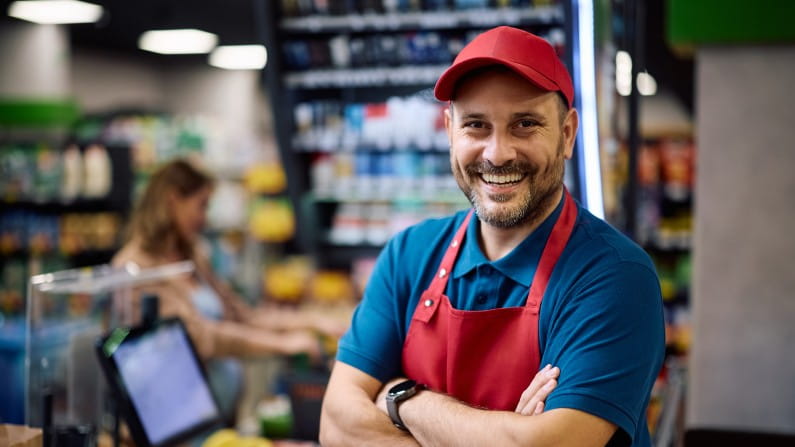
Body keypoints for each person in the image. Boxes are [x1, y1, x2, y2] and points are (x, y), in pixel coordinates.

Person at [320, 26, 664, 447]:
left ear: (568, 134)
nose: (497, 153)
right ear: (449, 131)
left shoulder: (614, 276)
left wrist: (402, 399)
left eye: (524, 124)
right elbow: (336, 425)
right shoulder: (408, 255)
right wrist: (503, 433)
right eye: (476, 126)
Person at [112, 159, 345, 409]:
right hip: (177, 415)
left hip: (219, 411)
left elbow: (243, 315)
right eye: (201, 206)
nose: (204, 218)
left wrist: (313, 322)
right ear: (172, 200)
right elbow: (199, 337)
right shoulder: (134, 268)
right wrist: (282, 344)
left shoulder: (193, 256)